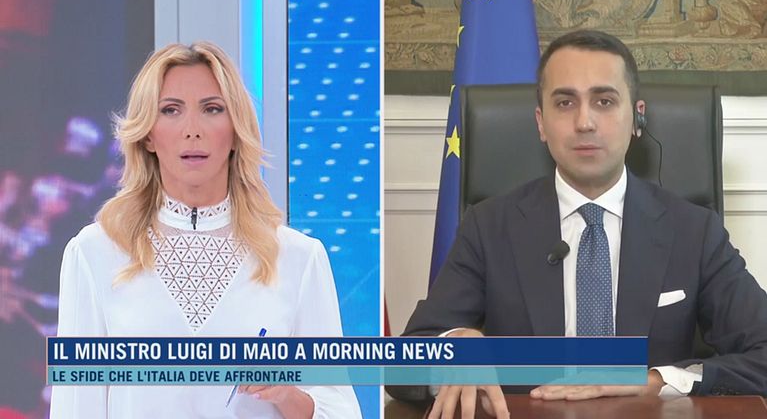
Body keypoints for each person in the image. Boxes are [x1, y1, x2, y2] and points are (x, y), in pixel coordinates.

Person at [402, 30, 767, 418]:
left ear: (637, 118)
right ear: (541, 123)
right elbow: (401, 362)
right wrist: (454, 346)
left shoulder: (694, 231)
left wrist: (657, 380)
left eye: (604, 101)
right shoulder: (489, 226)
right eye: (565, 102)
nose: (584, 122)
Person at [49, 42, 362, 419]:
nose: (192, 130)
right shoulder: (94, 253)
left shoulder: (298, 257)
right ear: (148, 135)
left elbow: (340, 411)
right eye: (171, 110)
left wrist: (285, 393)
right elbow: (75, 408)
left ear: (235, 130)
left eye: (212, 109)